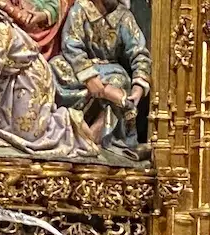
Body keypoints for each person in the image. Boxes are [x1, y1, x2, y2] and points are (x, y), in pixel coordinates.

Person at [0, 0, 99, 158]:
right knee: (0, 126)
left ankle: (67, 120)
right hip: (5, 78)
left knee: (28, 134)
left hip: (29, 74)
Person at [48, 0, 152, 159]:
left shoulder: (123, 16)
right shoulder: (81, 9)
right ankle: (66, 122)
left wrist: (139, 84)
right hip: (78, 68)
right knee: (55, 67)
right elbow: (71, 45)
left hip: (109, 70)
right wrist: (89, 77)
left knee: (120, 80)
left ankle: (96, 135)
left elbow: (139, 53)